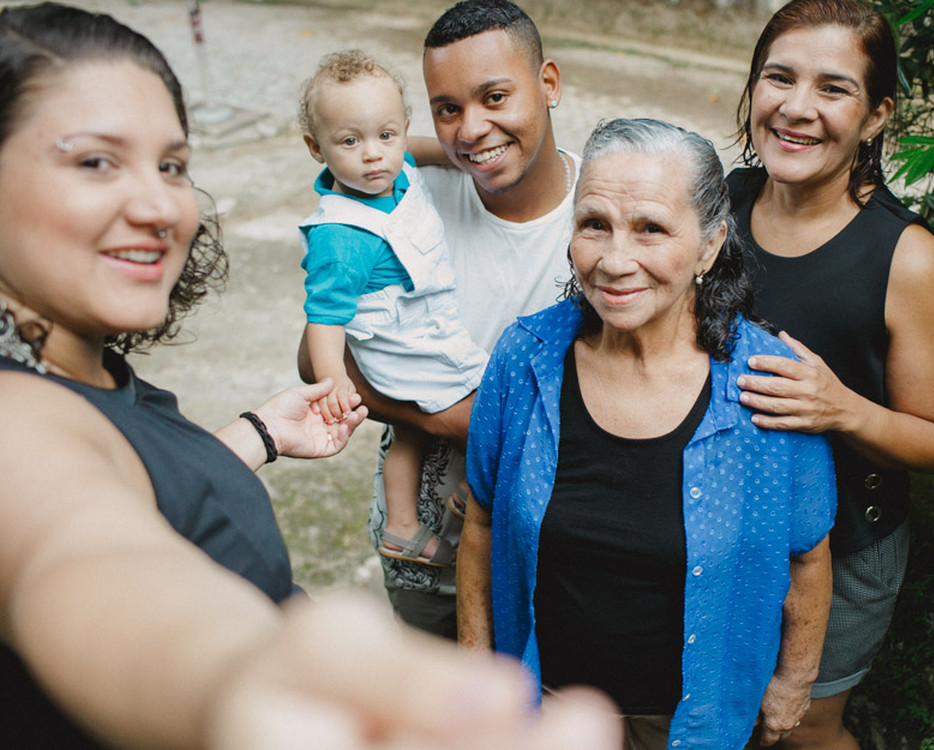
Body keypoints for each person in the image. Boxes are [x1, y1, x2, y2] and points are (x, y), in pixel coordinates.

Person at [0, 5, 620, 750]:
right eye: (95, 161)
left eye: (170, 165)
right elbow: (82, 557)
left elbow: (139, 491)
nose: (160, 204)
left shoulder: (86, 373)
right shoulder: (17, 420)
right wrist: (247, 679)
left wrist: (254, 436)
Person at [459, 118, 839, 750]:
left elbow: (807, 556)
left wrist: (792, 684)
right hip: (543, 710)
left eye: (651, 229)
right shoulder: (524, 359)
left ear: (710, 246)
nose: (613, 260)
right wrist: (475, 668)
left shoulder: (772, 384)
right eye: (593, 224)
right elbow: (479, 522)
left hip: (697, 719)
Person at [729, 1, 934, 747]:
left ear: (875, 116)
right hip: (716, 527)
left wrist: (842, 410)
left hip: (843, 546)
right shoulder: (720, 206)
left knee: (800, 730)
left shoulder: (908, 258)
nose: (797, 108)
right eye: (779, 78)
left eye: (833, 88)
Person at [297, 0, 577, 639]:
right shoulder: (403, 198)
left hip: (547, 548)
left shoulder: (601, 216)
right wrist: (446, 421)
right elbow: (319, 354)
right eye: (448, 109)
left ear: (549, 84)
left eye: (495, 97)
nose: (472, 128)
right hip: (425, 556)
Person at [296, 49, 487, 567]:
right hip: (402, 343)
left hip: (420, 326)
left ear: (403, 128)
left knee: (410, 427)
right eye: (350, 141)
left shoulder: (392, 168)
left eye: (386, 135)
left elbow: (415, 153)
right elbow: (325, 315)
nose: (374, 155)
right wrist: (334, 380)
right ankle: (475, 489)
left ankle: (402, 525)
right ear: (317, 147)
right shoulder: (342, 235)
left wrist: (455, 155)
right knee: (490, 400)